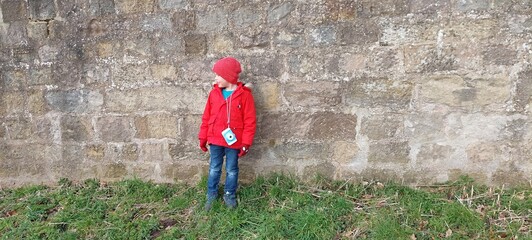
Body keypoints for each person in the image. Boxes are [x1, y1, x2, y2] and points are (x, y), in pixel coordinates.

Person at [198, 57, 257, 211]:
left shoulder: (245, 96)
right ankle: (211, 194)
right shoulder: (214, 94)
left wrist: (246, 143)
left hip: (233, 141)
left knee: (232, 169)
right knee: (214, 168)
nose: (215, 78)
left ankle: (229, 194)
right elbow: (206, 117)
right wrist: (203, 137)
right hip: (215, 139)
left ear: (228, 77)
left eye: (218, 75)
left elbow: (250, 121)